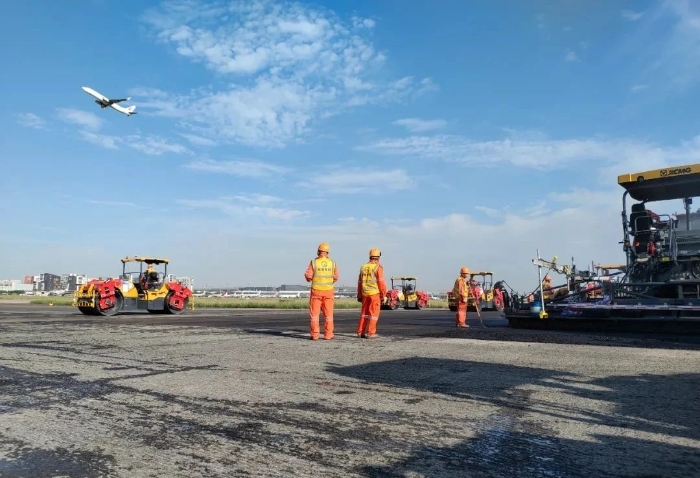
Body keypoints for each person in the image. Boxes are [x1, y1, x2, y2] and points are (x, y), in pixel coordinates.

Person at [304, 242, 338, 340]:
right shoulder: (332, 263)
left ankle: (315, 335)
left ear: (318, 251)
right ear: (327, 252)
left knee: (314, 315)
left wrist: (310, 278)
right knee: (329, 315)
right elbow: (336, 277)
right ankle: (328, 335)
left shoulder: (314, 262)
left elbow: (309, 276)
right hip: (328, 291)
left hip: (316, 291)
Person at [356, 248, 387, 338]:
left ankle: (360, 332)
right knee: (373, 314)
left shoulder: (363, 267)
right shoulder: (378, 267)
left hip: (365, 294)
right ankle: (370, 333)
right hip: (374, 294)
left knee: (364, 314)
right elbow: (381, 282)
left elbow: (360, 282)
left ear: (370, 256)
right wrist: (383, 295)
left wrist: (359, 295)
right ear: (378, 257)